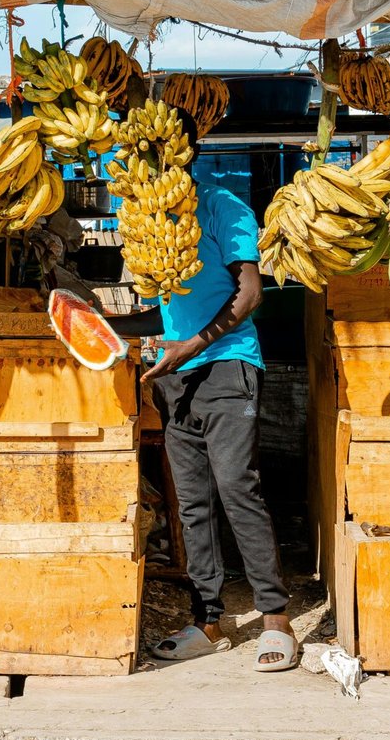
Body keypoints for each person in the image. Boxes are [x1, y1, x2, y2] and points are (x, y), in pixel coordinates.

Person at [106, 110, 296, 672]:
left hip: (227, 364)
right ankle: (207, 620)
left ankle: (276, 619)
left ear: (183, 151)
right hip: (176, 375)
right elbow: (163, 314)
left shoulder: (222, 206)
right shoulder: (148, 219)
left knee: (238, 487)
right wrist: (101, 322)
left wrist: (195, 344)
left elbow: (250, 293)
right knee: (191, 501)